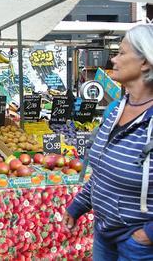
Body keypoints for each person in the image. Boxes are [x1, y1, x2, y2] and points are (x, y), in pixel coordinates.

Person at [63, 24, 153, 260]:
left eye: (122, 53)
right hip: (105, 234)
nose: (113, 59)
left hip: (139, 245)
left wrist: (146, 235)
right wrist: (78, 205)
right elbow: (103, 170)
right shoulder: (115, 110)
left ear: (145, 62)